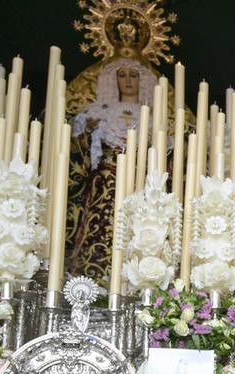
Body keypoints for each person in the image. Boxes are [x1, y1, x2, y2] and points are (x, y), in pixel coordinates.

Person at [67, 57, 157, 282]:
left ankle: (138, 275)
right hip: (106, 179)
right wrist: (88, 127)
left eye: (133, 75)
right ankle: (94, 273)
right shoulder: (102, 110)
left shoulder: (152, 116)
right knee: (102, 223)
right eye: (122, 75)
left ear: (142, 81)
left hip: (139, 180)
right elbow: (80, 140)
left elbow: (164, 147)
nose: (127, 81)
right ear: (114, 79)